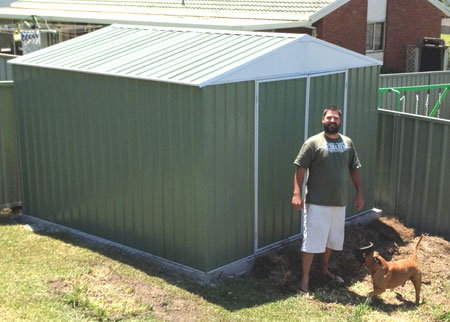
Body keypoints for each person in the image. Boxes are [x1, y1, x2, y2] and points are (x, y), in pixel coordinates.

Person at [291, 105, 364, 297]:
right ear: (323, 120)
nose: (332, 121)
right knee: (312, 241)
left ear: (340, 121)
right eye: (329, 118)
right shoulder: (313, 142)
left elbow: (354, 168)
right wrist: (297, 193)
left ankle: (324, 270)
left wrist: (360, 192)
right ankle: (304, 280)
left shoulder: (347, 142)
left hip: (339, 203)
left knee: (330, 240)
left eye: (336, 119)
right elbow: (300, 168)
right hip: (317, 202)